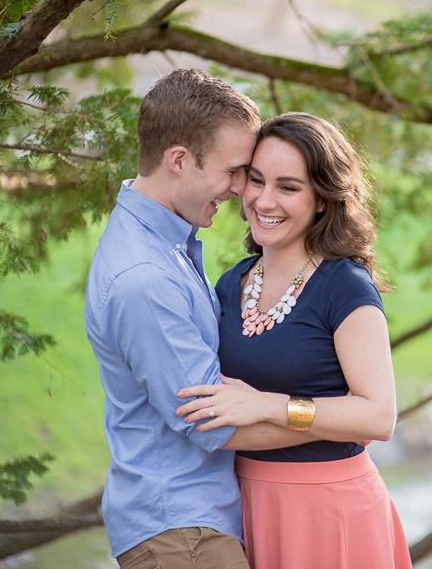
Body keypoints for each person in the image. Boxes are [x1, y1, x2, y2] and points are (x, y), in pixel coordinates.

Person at [85, 69, 307, 569]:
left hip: (193, 527)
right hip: (181, 534)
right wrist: (337, 423)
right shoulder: (145, 278)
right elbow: (213, 425)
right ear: (179, 160)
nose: (239, 190)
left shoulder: (164, 246)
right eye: (233, 171)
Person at [175, 112, 413, 569]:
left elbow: (378, 416)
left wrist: (269, 404)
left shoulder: (345, 286)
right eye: (256, 180)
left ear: (322, 200)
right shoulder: (230, 284)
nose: (264, 200)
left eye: (288, 187)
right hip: (242, 503)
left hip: (330, 510)